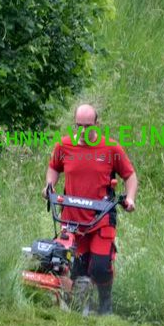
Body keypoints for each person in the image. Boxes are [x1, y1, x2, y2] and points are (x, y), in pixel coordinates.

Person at [42, 104, 138, 315]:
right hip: (72, 218)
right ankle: (80, 308)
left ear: (97, 124)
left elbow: (130, 176)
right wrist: (49, 185)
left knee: (100, 267)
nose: (83, 131)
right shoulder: (64, 146)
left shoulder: (111, 149)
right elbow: (53, 168)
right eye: (79, 126)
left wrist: (130, 198)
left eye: (88, 126)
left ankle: (105, 305)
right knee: (77, 269)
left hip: (101, 218)